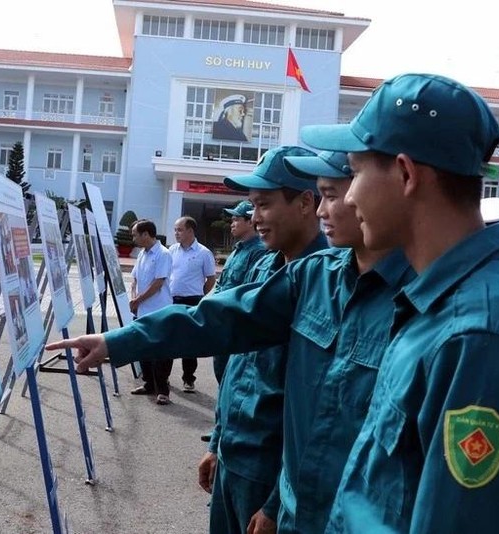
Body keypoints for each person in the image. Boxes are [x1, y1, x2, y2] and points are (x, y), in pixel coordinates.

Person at [46, 147, 415, 534]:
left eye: (335, 192)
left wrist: (274, 502)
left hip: (286, 488)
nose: (253, 218)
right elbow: (217, 325)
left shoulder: (418, 302)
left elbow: (324, 422)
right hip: (245, 462)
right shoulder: (300, 274)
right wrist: (119, 343)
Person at [301, 73, 499, 533]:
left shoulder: (482, 338)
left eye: (357, 172)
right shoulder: (436, 305)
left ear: (406, 174)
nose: (348, 196)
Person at [201, 145, 327, 534]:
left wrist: (276, 503)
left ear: (306, 203)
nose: (254, 218)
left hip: (269, 474)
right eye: (252, 207)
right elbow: (240, 366)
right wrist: (217, 442)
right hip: (232, 457)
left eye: (264, 205)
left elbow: (316, 411)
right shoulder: (263, 265)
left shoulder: (325, 286)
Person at [212, 200, 267, 384]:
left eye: (236, 220)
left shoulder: (259, 252)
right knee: (221, 374)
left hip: (236, 325)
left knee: (233, 379)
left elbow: (251, 291)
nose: (232, 224)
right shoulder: (237, 250)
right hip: (222, 321)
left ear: (250, 222)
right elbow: (222, 284)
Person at [128, 219, 174, 405]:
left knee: (160, 351)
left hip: (159, 309)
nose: (133, 238)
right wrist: (134, 299)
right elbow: (134, 279)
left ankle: (163, 390)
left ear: (146, 234)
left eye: (135, 234)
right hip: (142, 310)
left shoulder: (163, 254)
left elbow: (158, 283)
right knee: (143, 348)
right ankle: (149, 384)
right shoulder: (142, 254)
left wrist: (138, 300)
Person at [169, 216, 216, 392]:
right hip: (172, 300)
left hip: (193, 301)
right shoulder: (172, 250)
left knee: (189, 342)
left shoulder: (204, 253)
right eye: (175, 229)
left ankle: (188, 379)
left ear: (190, 231)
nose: (176, 233)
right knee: (168, 339)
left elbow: (211, 279)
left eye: (179, 230)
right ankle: (163, 377)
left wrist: (201, 296)